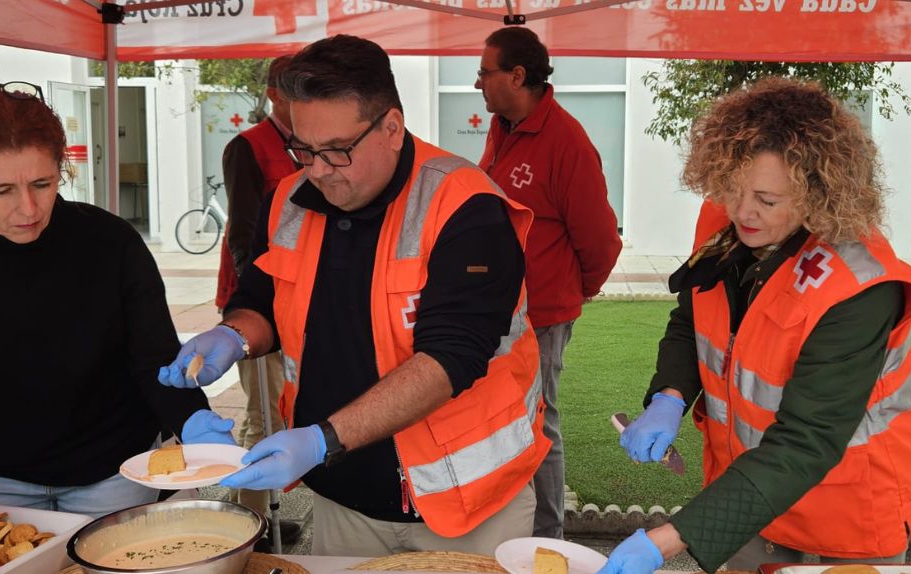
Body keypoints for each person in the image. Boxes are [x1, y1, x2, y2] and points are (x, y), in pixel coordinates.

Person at [158, 35, 548, 556]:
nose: (317, 170)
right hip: (344, 496)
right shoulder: (289, 200)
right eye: (303, 148)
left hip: (467, 501)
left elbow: (451, 357)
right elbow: (264, 297)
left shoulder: (465, 207)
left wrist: (322, 438)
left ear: (391, 127)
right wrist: (232, 336)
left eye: (337, 150)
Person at [598, 78, 911, 574]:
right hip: (746, 507)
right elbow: (692, 319)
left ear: (818, 194)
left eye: (766, 200)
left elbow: (806, 443)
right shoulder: (727, 221)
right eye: (734, 188)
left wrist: (670, 540)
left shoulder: (860, 288)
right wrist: (670, 395)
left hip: (848, 521)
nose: (742, 211)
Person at [0, 80, 229, 518]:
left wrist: (191, 419)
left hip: (114, 471)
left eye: (43, 183)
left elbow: (154, 357)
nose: (30, 209)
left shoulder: (110, 242)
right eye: (2, 191)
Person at [475, 26, 622, 539]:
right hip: (498, 307)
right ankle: (506, 521)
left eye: (485, 71)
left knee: (539, 421)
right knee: (500, 414)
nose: (477, 83)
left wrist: (577, 290)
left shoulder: (567, 142)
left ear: (517, 75)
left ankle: (545, 535)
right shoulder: (502, 126)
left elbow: (601, 238)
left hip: (541, 313)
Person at [214, 54, 304, 546]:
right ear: (274, 94)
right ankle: (246, 523)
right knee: (261, 412)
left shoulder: (303, 145)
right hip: (259, 305)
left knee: (283, 407)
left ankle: (261, 513)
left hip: (295, 300)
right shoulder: (247, 148)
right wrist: (260, 308)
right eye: (297, 92)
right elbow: (245, 236)